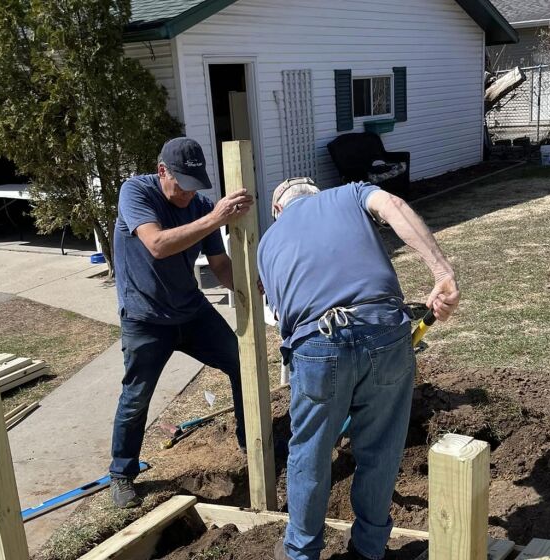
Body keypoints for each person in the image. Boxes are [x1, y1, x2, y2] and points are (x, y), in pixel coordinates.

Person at [258, 178, 460, 560]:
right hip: (383, 330)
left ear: (278, 211)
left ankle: (301, 552)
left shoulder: (267, 242)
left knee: (310, 452)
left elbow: (281, 312)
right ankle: (368, 550)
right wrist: (441, 273)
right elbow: (395, 206)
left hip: (317, 343)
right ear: (319, 195)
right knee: (381, 448)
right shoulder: (349, 195)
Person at [109, 137, 254, 508]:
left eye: (196, 186)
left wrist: (255, 291)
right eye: (183, 185)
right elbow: (156, 244)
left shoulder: (200, 205)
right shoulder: (136, 193)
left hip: (191, 311)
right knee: (136, 397)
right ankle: (122, 474)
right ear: (163, 172)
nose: (190, 194)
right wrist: (215, 218)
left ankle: (248, 438)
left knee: (241, 362)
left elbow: (220, 264)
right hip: (145, 319)